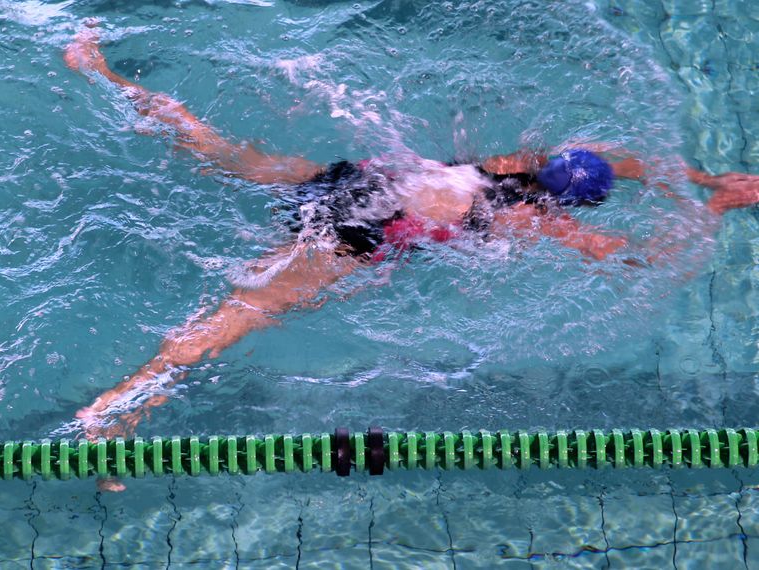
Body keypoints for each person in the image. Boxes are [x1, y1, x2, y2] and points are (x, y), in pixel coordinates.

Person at [63, 23, 759, 449]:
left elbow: (617, 155)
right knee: (246, 312)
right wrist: (716, 208)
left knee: (226, 152)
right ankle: (116, 407)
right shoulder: (534, 216)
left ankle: (99, 71)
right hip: (358, 231)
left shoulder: (519, 161)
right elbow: (640, 257)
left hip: (357, 180)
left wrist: (701, 175)